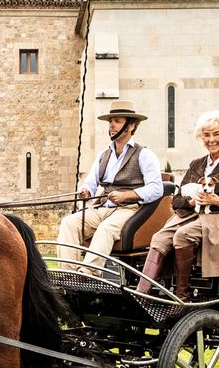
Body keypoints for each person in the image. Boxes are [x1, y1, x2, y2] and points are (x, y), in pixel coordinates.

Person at [140, 110, 219, 300]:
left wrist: (218, 200)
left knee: (183, 235)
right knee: (159, 237)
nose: (211, 140)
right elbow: (176, 200)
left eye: (216, 134)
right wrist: (191, 201)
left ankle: (182, 296)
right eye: (207, 135)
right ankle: (143, 294)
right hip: (192, 213)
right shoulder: (196, 164)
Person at [57, 100, 163, 273]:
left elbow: (156, 188)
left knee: (105, 229)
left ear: (130, 126)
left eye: (118, 121)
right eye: (110, 121)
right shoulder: (103, 155)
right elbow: (91, 182)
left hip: (129, 210)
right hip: (102, 208)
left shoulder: (144, 154)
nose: (112, 125)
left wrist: (127, 195)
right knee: (69, 223)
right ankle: (68, 273)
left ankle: (88, 273)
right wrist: (86, 191)